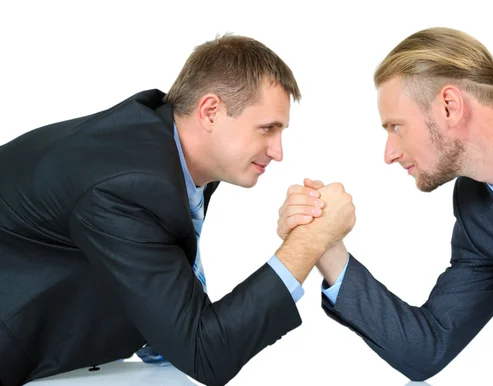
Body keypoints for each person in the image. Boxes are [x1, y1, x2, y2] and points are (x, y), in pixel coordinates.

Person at [0, 35, 356, 386]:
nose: (278, 151)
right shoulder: (128, 184)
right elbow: (204, 351)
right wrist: (307, 244)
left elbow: (168, 293)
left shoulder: (168, 150)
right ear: (210, 112)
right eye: (267, 129)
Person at [278, 27, 493, 381]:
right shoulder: (480, 216)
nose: (390, 154)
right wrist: (325, 247)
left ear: (449, 106)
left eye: (396, 127)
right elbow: (426, 348)